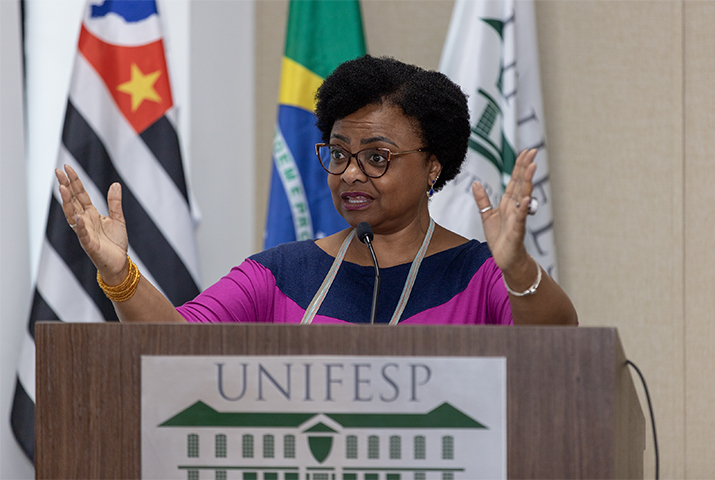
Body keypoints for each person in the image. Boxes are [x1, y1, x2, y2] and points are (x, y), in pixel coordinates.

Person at [56, 55, 577, 326]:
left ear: (433, 166)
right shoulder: (278, 274)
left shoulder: (481, 276)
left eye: (377, 157)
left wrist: (517, 268)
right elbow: (175, 344)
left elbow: (554, 342)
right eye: (339, 153)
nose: (350, 173)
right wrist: (119, 275)